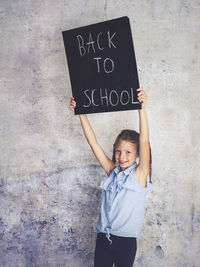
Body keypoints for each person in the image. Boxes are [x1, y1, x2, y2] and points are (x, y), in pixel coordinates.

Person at [69, 88, 153, 267]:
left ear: (137, 154)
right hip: (103, 240)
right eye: (118, 151)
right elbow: (93, 142)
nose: (122, 156)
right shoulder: (112, 171)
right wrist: (81, 112)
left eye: (128, 152)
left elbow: (144, 141)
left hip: (126, 243)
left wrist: (142, 108)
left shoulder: (139, 175)